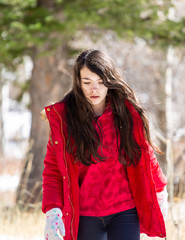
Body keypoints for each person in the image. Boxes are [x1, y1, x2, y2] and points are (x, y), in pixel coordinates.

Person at [42, 49, 168, 240]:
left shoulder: (127, 115)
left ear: (109, 81)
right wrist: (52, 209)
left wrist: (160, 190)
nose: (95, 89)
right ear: (78, 82)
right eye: (87, 82)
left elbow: (146, 156)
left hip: (124, 211)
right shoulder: (64, 121)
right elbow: (53, 170)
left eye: (101, 82)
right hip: (85, 214)